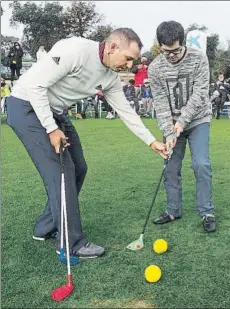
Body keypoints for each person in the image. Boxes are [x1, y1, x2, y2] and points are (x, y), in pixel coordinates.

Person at [6, 28, 168, 259]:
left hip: (55, 112)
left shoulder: (110, 78)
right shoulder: (75, 50)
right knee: (62, 172)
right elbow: (35, 86)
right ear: (112, 47)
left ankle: (45, 227)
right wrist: (51, 129)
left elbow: (126, 112)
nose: (130, 65)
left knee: (79, 168)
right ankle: (72, 244)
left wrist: (152, 141)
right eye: (128, 58)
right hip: (25, 106)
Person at [148, 20, 216, 232]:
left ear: (183, 43)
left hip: (197, 120)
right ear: (160, 46)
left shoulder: (198, 58)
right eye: (166, 51)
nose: (172, 56)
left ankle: (207, 212)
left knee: (201, 164)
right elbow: (159, 102)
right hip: (171, 125)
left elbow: (200, 94)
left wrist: (182, 122)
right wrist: (169, 130)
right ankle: (172, 210)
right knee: (171, 167)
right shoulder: (155, 68)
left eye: (176, 50)